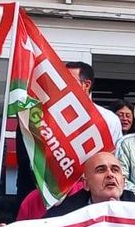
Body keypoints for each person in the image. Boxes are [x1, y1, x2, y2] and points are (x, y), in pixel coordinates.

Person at [14, 60, 121, 217]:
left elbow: (112, 160)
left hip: (87, 197)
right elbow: (28, 160)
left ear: (86, 84)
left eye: (68, 79)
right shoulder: (41, 116)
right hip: (43, 194)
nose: (62, 84)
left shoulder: (107, 119)